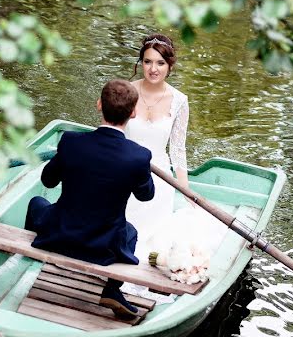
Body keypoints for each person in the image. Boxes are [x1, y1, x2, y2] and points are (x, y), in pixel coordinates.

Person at [24, 79, 154, 319]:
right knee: (131, 232)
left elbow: (47, 181)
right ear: (133, 113)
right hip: (102, 246)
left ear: (98, 105)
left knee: (36, 203)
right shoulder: (139, 156)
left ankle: (29, 266)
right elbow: (146, 195)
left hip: (60, 234)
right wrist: (141, 169)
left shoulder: (71, 142)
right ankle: (112, 289)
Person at [124, 33, 224, 284]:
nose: (153, 69)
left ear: (170, 66)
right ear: (141, 62)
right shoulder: (126, 91)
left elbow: (178, 149)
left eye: (160, 63)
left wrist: (185, 189)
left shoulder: (179, 101)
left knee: (157, 236)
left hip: (157, 177)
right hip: (123, 173)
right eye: (147, 62)